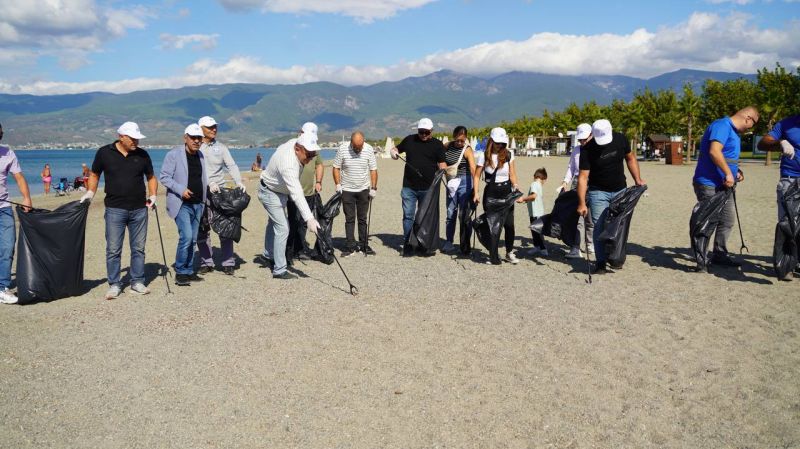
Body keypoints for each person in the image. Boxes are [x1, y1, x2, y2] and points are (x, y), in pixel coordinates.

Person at [81, 122, 157, 299]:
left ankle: (137, 281)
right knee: (113, 249)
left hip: (139, 209)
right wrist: (90, 192)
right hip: (115, 209)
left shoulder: (143, 155)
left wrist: (153, 195)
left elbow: (151, 177)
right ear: (120, 136)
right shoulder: (104, 152)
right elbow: (94, 174)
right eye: (132, 138)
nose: (136, 141)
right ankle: (114, 284)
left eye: (137, 138)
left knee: (138, 248)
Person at [691, 106, 758, 271]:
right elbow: (714, 152)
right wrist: (728, 173)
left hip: (724, 184)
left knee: (727, 220)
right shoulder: (722, 125)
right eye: (753, 125)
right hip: (708, 182)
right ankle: (701, 261)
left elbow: (726, 156)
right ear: (748, 118)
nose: (750, 129)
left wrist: (736, 171)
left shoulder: (733, 131)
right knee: (708, 221)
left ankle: (719, 255)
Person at [576, 119, 645, 274]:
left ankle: (615, 257)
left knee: (619, 225)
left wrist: (637, 179)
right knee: (599, 226)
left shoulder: (620, 139)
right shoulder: (587, 150)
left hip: (620, 190)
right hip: (597, 192)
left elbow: (630, 158)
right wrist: (581, 203)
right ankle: (600, 262)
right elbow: (582, 177)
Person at [258, 131, 321, 279]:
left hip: (280, 190)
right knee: (282, 227)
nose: (311, 159)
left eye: (314, 155)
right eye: (309, 155)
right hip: (269, 191)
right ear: (298, 149)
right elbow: (297, 193)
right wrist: (309, 219)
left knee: (273, 222)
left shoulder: (296, 143)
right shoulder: (288, 164)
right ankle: (279, 269)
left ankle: (268, 255)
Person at [195, 116, 245, 276]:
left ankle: (228, 262)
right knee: (202, 229)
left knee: (226, 226)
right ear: (201, 128)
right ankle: (206, 262)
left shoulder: (221, 148)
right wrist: (208, 183)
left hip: (220, 192)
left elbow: (231, 165)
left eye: (215, 126)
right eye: (210, 127)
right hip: (201, 193)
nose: (214, 129)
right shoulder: (195, 147)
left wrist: (238, 181)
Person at [159, 124, 208, 286]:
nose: (196, 141)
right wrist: (181, 190)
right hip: (181, 203)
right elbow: (164, 177)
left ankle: (188, 270)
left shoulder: (200, 155)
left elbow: (202, 179)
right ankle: (180, 271)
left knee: (193, 239)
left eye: (199, 138)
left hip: (198, 203)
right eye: (193, 137)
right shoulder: (174, 155)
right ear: (185, 137)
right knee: (186, 236)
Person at [390, 118, 446, 256]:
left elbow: (442, 163)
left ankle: (422, 243)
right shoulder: (409, 140)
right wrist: (394, 152)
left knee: (424, 217)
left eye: (426, 132)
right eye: (421, 132)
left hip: (428, 188)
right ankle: (408, 244)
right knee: (408, 216)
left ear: (431, 131)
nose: (424, 135)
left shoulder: (437, 144)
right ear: (418, 130)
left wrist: (444, 173)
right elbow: (396, 149)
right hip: (409, 186)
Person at [473, 127, 521, 265]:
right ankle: (492, 254)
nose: (500, 145)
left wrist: (516, 186)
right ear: (491, 140)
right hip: (491, 193)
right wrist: (476, 192)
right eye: (497, 142)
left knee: (509, 224)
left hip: (506, 191)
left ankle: (509, 252)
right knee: (492, 225)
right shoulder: (483, 156)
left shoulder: (509, 154)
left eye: (502, 143)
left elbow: (512, 174)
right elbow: (476, 176)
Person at [0, 122, 32, 305]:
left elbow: (19, 177)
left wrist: (27, 198)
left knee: (7, 247)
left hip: (4, 208)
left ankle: (2, 287)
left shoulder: (7, 153)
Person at [333, 131, 378, 256]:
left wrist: (374, 188)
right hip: (347, 189)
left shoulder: (368, 149)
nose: (359, 149)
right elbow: (336, 167)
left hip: (363, 189)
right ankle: (350, 246)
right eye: (356, 147)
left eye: (360, 146)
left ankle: (364, 244)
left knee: (362, 219)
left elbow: (373, 169)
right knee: (350, 219)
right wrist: (338, 184)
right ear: (351, 143)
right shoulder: (342, 149)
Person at [287, 122, 324, 261]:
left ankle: (300, 249)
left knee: (303, 223)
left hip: (308, 192)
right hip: (292, 193)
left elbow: (320, 164)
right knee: (293, 222)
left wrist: (319, 181)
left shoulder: (313, 147)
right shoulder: (293, 147)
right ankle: (289, 251)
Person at [558, 123, 594, 258]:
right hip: (577, 183)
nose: (582, 141)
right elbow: (571, 168)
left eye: (585, 139)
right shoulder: (576, 150)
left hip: (593, 183)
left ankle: (590, 244)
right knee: (577, 217)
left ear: (591, 135)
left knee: (591, 218)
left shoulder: (596, 150)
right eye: (580, 139)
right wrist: (565, 181)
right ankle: (576, 246)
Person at [757, 114, 800, 221]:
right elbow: (762, 144)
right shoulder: (786, 123)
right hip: (791, 180)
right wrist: (780, 142)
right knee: (788, 226)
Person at [442, 126, 476, 253]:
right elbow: (439, 156)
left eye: (463, 140)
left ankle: (465, 244)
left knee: (464, 215)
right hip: (451, 182)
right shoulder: (447, 146)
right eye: (458, 140)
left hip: (465, 182)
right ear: (453, 137)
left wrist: (475, 190)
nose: (460, 143)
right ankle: (449, 241)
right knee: (450, 213)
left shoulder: (467, 150)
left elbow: (473, 169)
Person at [518, 167, 548, 256]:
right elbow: (534, 197)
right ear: (543, 178)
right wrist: (525, 200)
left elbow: (533, 196)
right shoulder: (537, 184)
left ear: (535, 176)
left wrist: (523, 198)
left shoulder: (534, 184)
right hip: (537, 212)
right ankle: (537, 247)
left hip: (536, 213)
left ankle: (543, 248)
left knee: (537, 231)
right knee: (535, 231)